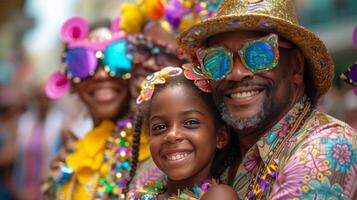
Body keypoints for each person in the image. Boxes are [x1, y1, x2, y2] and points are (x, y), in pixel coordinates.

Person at [177, 0, 357, 199]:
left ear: (296, 67)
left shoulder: (327, 146)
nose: (236, 73)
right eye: (216, 60)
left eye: (259, 54)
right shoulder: (216, 150)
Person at [42, 16, 148, 200]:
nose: (100, 75)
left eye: (116, 60)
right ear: (70, 82)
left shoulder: (156, 147)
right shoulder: (70, 157)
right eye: (83, 62)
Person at [126, 66, 239, 199]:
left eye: (190, 122)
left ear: (221, 137)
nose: (172, 135)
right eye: (160, 127)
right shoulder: (140, 196)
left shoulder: (219, 196)